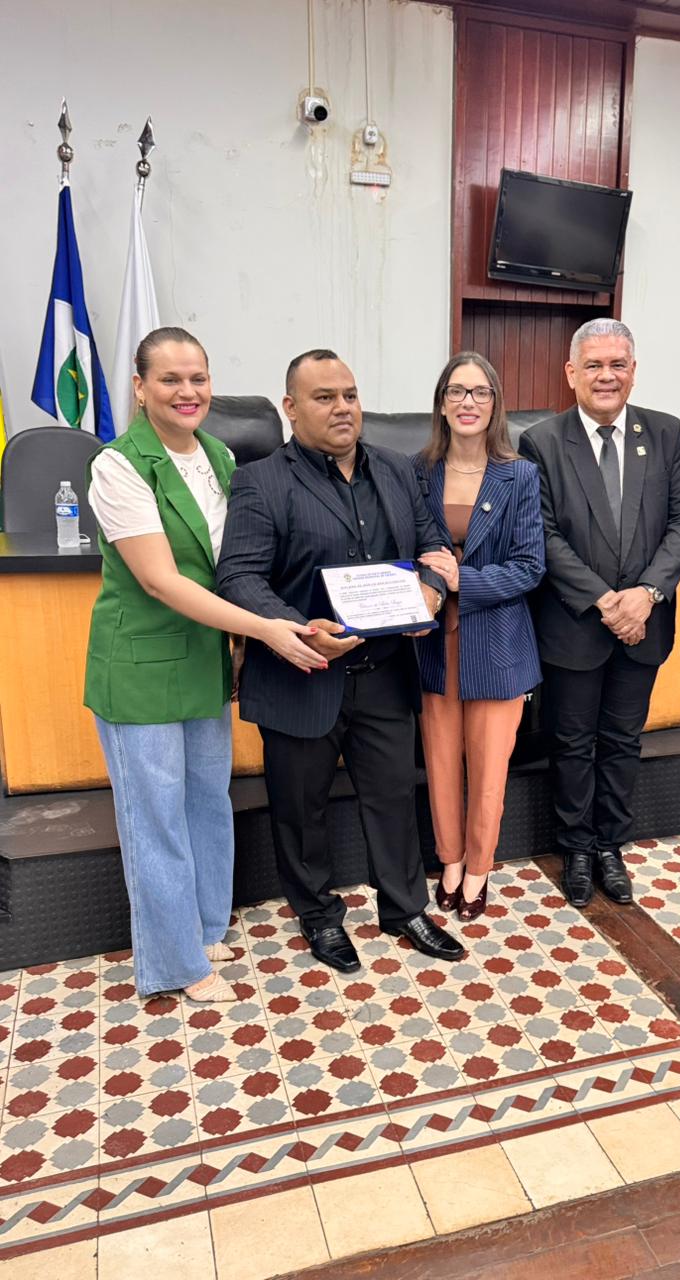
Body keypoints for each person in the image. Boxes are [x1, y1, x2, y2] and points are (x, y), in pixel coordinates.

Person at [85, 326, 326, 1003]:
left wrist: (257, 632)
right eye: (170, 379)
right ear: (140, 388)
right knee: (156, 817)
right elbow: (162, 580)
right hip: (140, 667)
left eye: (198, 377)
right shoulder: (118, 465)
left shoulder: (219, 455)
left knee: (205, 801)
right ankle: (174, 964)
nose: (187, 391)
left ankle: (204, 927)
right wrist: (266, 630)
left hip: (203, 657)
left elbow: (235, 563)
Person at [216, 348, 464, 973]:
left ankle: (404, 908)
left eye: (349, 395)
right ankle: (319, 915)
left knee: (393, 796)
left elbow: (434, 546)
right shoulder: (260, 480)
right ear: (290, 407)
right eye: (324, 397)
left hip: (384, 671)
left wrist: (431, 593)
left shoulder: (399, 470)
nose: (342, 408)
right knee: (301, 809)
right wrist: (301, 630)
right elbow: (239, 578)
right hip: (302, 673)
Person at [518, 318, 680, 908]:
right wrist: (604, 600)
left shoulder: (667, 433)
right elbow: (544, 534)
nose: (606, 375)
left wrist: (647, 593)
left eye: (618, 364)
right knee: (572, 743)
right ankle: (575, 847)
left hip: (646, 621)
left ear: (634, 371)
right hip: (575, 624)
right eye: (593, 365)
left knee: (622, 741)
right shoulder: (542, 442)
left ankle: (609, 846)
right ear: (571, 372)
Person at [414, 352, 545, 921]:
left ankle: (479, 868)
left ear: (495, 405)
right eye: (456, 391)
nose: (468, 402)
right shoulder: (416, 471)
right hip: (432, 642)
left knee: (489, 771)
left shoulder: (520, 476)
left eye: (480, 392)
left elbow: (530, 566)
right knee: (441, 763)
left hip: (497, 644)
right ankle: (449, 860)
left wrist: (461, 580)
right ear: (442, 404)